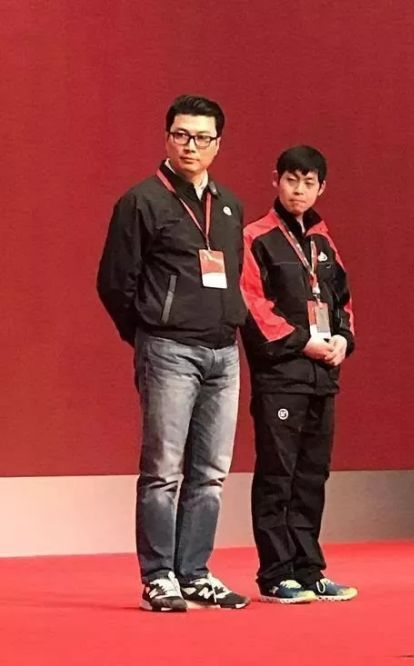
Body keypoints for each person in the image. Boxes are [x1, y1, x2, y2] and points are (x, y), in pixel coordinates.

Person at [97, 94, 250, 612]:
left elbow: (232, 275)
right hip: (169, 350)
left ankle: (195, 572)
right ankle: (159, 574)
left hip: (223, 353)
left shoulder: (228, 206)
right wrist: (148, 333)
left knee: (211, 473)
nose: (191, 146)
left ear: (217, 145)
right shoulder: (142, 201)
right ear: (167, 138)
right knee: (163, 470)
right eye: (182, 135)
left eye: (203, 138)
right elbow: (115, 282)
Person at [240, 145, 358, 604]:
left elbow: (342, 301)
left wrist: (343, 340)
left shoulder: (324, 242)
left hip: (322, 377)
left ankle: (309, 569)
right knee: (278, 474)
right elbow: (253, 306)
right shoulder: (256, 237)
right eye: (292, 180)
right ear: (276, 180)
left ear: (321, 187)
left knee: (312, 475)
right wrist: (302, 342)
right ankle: (275, 573)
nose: (299, 190)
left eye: (309, 182)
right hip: (281, 376)